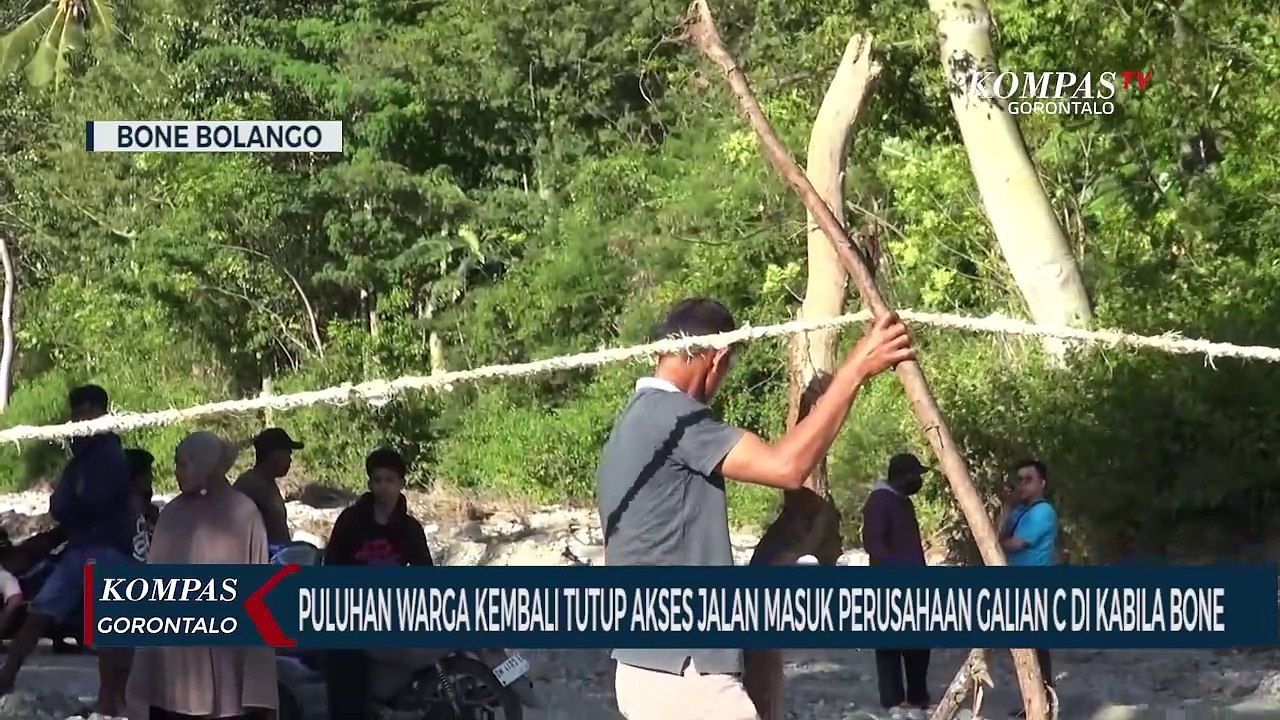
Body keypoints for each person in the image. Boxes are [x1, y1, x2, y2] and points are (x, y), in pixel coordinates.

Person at [596, 298, 914, 720]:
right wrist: (856, 369)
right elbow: (786, 467)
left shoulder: (633, 422)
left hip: (647, 667)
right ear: (718, 358)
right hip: (683, 672)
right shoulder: (672, 416)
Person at [126, 430, 277, 720]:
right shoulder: (173, 513)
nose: (177, 472)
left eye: (183, 464)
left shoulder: (243, 514)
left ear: (205, 463)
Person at [0, 384, 134, 696]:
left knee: (110, 630)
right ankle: (8, 674)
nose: (74, 420)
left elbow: (90, 501)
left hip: (108, 549)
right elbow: (59, 505)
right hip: (79, 547)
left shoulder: (110, 456)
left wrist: (75, 499)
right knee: (41, 612)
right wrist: (74, 498)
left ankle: (112, 700)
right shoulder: (81, 459)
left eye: (80, 412)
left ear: (93, 412)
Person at [323, 447, 434, 719]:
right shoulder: (351, 520)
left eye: (390, 480)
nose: (383, 487)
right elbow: (332, 564)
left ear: (401, 483)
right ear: (370, 484)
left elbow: (425, 572)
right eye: (378, 480)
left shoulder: (409, 528)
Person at [862, 453, 933, 720]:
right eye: (914, 475)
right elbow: (874, 543)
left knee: (918, 643)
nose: (917, 481)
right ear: (901, 477)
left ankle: (917, 698)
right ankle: (894, 700)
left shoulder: (904, 503)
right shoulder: (880, 501)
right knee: (890, 645)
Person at [998, 458, 1058, 718]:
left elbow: (1013, 544)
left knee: (1035, 648)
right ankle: (1033, 701)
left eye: (1028, 480)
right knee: (1025, 649)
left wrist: (998, 541)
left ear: (1042, 483)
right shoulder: (1018, 512)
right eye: (1019, 480)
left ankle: (1042, 702)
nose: (1022, 485)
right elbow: (999, 534)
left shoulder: (1043, 512)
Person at [233, 427, 303, 546]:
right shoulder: (249, 485)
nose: (290, 460)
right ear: (275, 456)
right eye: (288, 454)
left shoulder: (267, 482)